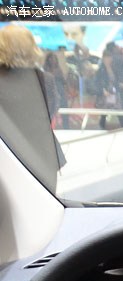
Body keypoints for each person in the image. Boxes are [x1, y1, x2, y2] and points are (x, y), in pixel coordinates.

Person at [0, 25, 65, 189]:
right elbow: (51, 110)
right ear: (32, 48)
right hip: (42, 153)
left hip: (6, 157)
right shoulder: (45, 79)